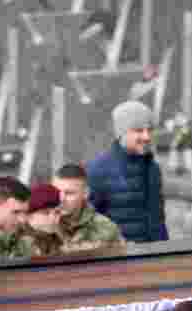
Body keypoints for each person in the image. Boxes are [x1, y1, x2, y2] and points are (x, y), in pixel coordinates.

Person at [86, 100, 168, 244]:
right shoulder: (97, 170)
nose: (147, 137)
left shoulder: (152, 168)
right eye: (139, 130)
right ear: (121, 133)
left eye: (150, 130)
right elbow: (88, 225)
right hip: (116, 261)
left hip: (153, 258)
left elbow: (159, 222)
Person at [51, 163, 126, 254]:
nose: (61, 199)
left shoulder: (106, 229)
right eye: (56, 192)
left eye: (69, 193)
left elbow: (122, 264)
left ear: (85, 193)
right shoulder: (42, 224)